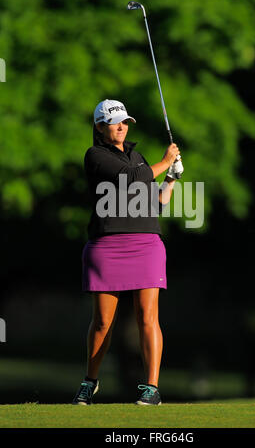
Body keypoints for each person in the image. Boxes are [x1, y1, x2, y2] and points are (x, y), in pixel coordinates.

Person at [72, 99, 183, 406]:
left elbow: (155, 201)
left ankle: (151, 387)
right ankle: (90, 381)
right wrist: (164, 160)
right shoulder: (95, 156)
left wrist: (172, 177)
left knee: (148, 317)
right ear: (99, 127)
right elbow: (133, 180)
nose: (121, 126)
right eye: (113, 122)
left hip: (146, 244)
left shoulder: (137, 156)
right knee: (103, 322)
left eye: (124, 121)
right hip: (107, 245)